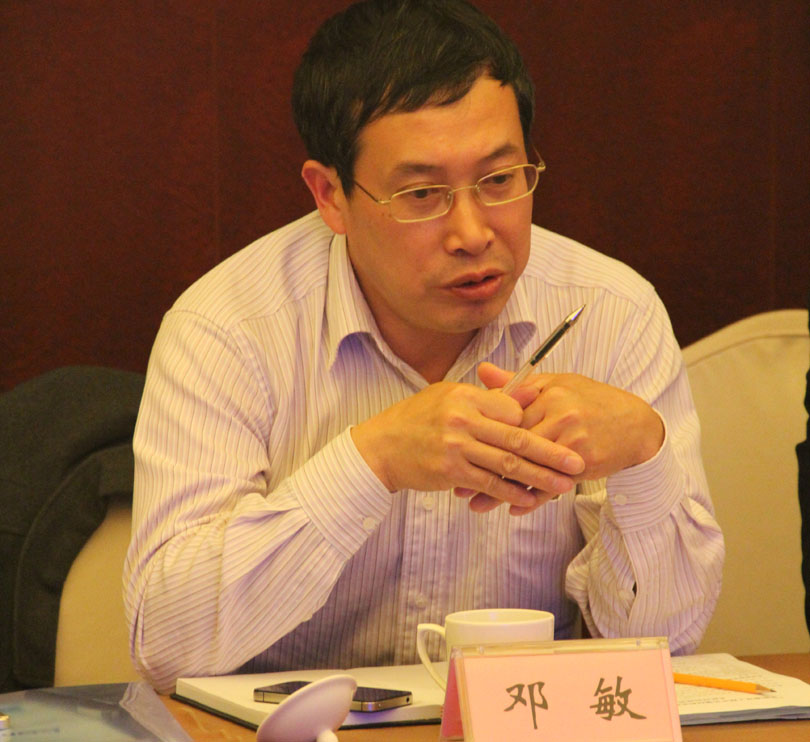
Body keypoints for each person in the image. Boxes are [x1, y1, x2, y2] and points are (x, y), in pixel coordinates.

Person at [124, 0, 724, 693]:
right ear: (331, 195)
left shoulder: (612, 314)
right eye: (421, 193)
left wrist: (644, 453)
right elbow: (166, 646)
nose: (472, 232)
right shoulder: (229, 328)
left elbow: (667, 646)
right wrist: (370, 461)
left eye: (499, 181)